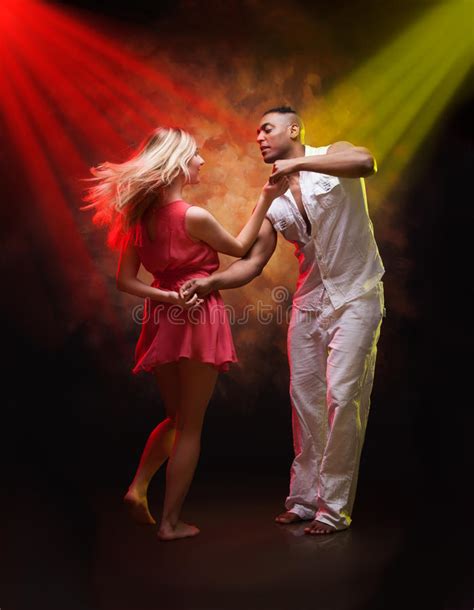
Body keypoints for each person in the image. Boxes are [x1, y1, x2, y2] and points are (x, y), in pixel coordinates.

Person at [181, 106, 385, 535]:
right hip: (310, 304)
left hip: (357, 296)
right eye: (256, 131)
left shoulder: (334, 153)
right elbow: (252, 264)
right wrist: (210, 282)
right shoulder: (273, 198)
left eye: (267, 129)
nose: (259, 136)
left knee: (343, 397)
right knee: (304, 399)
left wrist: (300, 162)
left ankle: (332, 510)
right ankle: (303, 499)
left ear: (293, 130)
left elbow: (366, 162)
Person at [82, 126, 288, 540]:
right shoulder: (193, 216)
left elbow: (125, 281)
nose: (202, 161)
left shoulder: (140, 220)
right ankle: (171, 523)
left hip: (164, 316)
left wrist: (167, 297)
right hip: (198, 317)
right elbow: (242, 246)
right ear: (177, 164)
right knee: (190, 426)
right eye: (195, 155)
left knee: (175, 418)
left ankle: (138, 488)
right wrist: (266, 198)